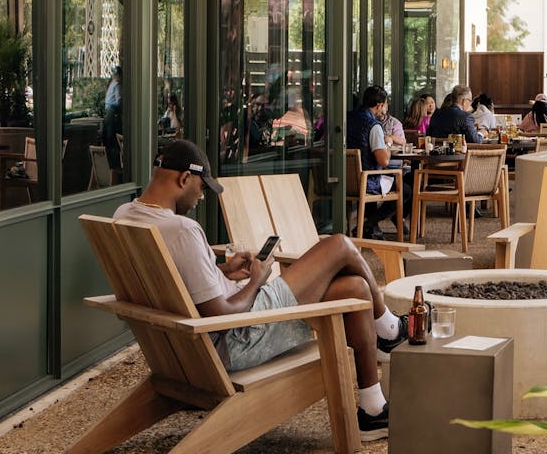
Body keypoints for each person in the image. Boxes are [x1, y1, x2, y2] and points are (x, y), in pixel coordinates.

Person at [113, 139, 401, 440]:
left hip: (182, 350)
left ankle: (373, 409)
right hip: (238, 339)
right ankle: (389, 330)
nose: (201, 196)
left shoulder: (125, 215)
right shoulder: (183, 230)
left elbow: (174, 281)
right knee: (339, 245)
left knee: (355, 287)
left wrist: (222, 271)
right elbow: (220, 314)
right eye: (202, 187)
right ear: (185, 178)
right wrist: (256, 280)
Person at [346, 86, 412, 239]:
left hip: (342, 181)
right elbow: (384, 161)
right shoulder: (373, 126)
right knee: (406, 189)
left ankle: (370, 228)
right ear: (380, 105)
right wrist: (387, 143)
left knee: (375, 176)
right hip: (365, 181)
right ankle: (368, 224)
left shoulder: (345, 118)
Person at [101, 66, 123, 169]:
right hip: (112, 113)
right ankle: (115, 167)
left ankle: (109, 165)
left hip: (107, 112)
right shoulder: (117, 85)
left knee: (108, 139)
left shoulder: (111, 84)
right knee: (113, 140)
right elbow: (118, 100)